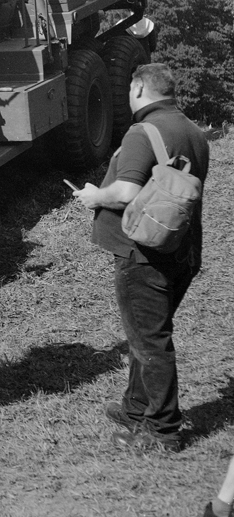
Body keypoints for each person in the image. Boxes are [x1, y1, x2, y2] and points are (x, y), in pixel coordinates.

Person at [75, 62, 208, 454]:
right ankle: (136, 408)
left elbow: (125, 192)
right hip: (181, 251)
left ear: (137, 89)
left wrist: (93, 197)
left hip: (143, 253)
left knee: (150, 341)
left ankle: (162, 432)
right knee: (145, 332)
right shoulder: (192, 131)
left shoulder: (142, 131)